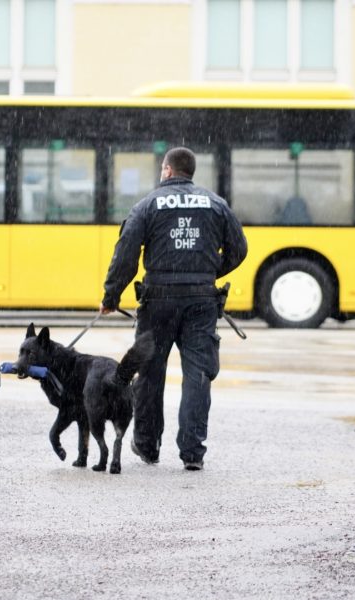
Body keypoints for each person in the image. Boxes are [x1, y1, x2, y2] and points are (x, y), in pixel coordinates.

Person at [100, 147, 248, 471]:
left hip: (158, 302)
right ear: (190, 172)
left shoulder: (148, 205)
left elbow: (126, 254)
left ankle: (148, 446)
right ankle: (193, 453)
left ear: (167, 170)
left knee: (150, 374)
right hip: (201, 302)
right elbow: (239, 249)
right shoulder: (216, 203)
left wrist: (111, 296)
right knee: (197, 376)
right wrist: (208, 272)